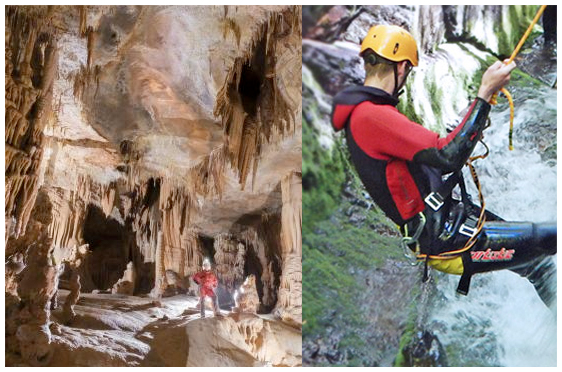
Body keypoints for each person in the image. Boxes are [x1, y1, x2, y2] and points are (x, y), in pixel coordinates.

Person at [331, 25, 556, 304]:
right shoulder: (371, 117)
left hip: (448, 223)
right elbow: (447, 155)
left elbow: (434, 162)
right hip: (447, 239)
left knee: (537, 264)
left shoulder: (367, 113)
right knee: (548, 237)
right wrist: (484, 93)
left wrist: (472, 121)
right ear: (402, 68)